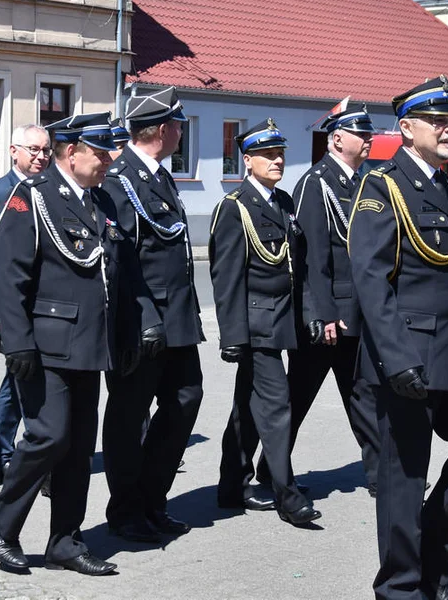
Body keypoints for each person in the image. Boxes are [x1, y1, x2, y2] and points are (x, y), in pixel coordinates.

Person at [349, 77, 448, 600]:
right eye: (437, 120)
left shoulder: (442, 185)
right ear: (407, 128)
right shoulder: (382, 186)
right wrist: (396, 359)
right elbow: (370, 279)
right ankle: (401, 587)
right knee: (403, 477)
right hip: (408, 356)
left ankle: (433, 553)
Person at [0, 112, 143, 576]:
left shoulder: (102, 202)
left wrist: (127, 335)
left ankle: (66, 541)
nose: (109, 160)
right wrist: (17, 345)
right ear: (71, 153)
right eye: (100, 152)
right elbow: (8, 273)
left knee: (76, 446)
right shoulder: (31, 198)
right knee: (48, 436)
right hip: (44, 344)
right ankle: (4, 519)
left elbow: (118, 276)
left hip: (91, 344)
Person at [254, 103, 380, 496]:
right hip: (325, 318)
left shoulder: (361, 182)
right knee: (297, 399)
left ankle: (382, 476)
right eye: (362, 133)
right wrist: (322, 314)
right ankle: (271, 470)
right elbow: (311, 259)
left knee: (364, 396)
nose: (370, 139)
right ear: (338, 138)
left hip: (355, 313)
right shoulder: (316, 183)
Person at [101, 87, 203, 543]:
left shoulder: (159, 176)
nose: (182, 131)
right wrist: (144, 319)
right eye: (179, 124)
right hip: (142, 323)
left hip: (177, 319)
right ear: (162, 130)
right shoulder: (119, 180)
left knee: (186, 400)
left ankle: (152, 498)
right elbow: (123, 262)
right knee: (128, 416)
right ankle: (125, 510)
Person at [210, 119, 324, 527]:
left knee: (248, 406)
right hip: (255, 325)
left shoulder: (283, 203)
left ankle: (231, 484)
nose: (277, 161)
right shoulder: (234, 207)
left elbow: (300, 268)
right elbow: (226, 279)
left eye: (281, 154)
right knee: (277, 408)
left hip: (283, 322)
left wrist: (309, 314)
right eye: (268, 155)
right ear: (248, 160)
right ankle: (287, 496)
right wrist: (233, 337)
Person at [0, 124, 50, 483]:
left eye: (45, 150)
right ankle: (3, 456)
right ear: (13, 151)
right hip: (12, 306)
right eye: (33, 150)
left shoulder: (49, 189)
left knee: (18, 381)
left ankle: (14, 455)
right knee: (15, 383)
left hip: (44, 304)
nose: (40, 157)